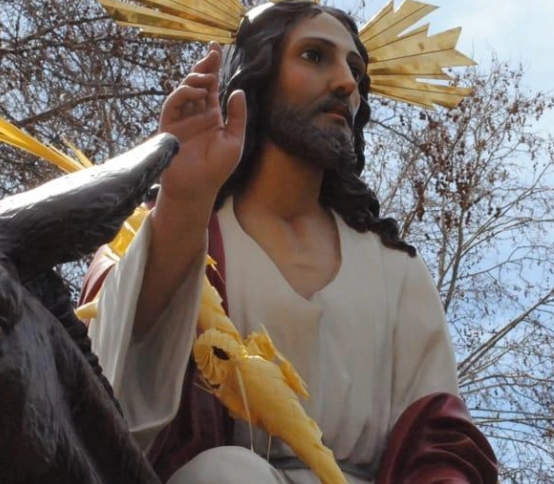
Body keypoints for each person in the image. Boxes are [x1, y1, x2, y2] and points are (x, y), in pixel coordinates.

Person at [80, 2, 497, 483]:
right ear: (256, 75)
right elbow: (104, 383)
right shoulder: (167, 227)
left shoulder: (395, 268)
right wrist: (184, 200)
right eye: (315, 56)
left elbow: (440, 437)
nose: (346, 83)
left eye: (355, 70)